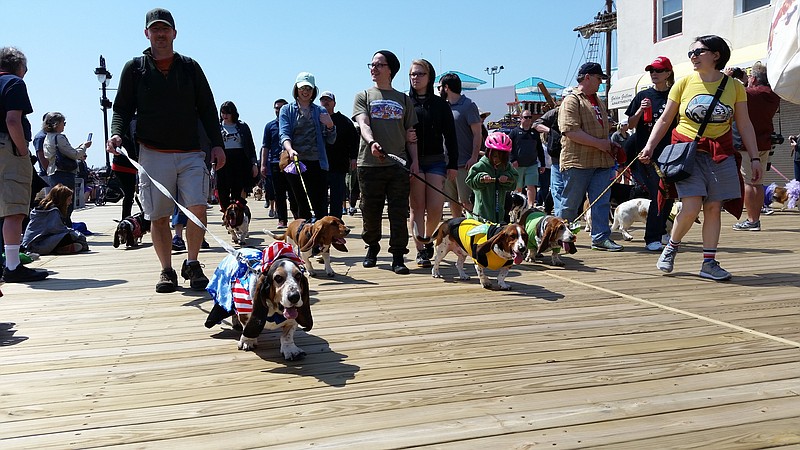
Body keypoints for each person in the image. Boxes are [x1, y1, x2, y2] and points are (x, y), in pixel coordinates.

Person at [106, 8, 226, 293]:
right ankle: (166, 270)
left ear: (174, 33)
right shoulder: (134, 68)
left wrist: (217, 144)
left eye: (165, 29)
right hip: (152, 153)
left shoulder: (190, 67)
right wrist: (116, 133)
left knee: (197, 208)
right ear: (147, 33)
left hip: (191, 152)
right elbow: (121, 107)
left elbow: (208, 107)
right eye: (155, 29)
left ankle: (193, 263)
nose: (160, 34)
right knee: (158, 215)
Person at [639, 35, 763, 281]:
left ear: (716, 55)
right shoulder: (683, 83)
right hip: (687, 151)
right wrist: (650, 146)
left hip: (720, 152)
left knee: (714, 207)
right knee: (691, 205)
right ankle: (672, 246)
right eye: (691, 53)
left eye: (698, 52)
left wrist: (756, 157)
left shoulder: (735, 87)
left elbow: (745, 123)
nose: (693, 57)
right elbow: (665, 119)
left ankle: (709, 262)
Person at [352, 50, 418, 274]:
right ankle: (372, 247)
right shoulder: (364, 95)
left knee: (399, 212)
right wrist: (372, 142)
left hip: (398, 165)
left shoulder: (404, 99)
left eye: (379, 64)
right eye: (371, 64)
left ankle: (398, 255)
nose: (373, 68)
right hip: (369, 164)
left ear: (391, 69)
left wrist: (414, 162)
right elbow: (363, 123)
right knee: (370, 210)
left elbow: (411, 134)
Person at [557, 62, 623, 252]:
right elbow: (570, 131)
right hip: (577, 161)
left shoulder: (598, 100)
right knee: (571, 203)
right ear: (587, 77)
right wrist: (601, 143)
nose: (600, 83)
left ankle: (601, 238)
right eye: (598, 78)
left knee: (601, 201)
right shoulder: (571, 100)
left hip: (602, 161)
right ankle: (559, 237)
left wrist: (609, 143)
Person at [1, 46, 48, 282]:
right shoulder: (14, 83)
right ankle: (12, 266)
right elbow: (12, 119)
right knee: (14, 209)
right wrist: (21, 150)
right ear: (19, 66)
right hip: (6, 149)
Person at [406, 59, 457, 268]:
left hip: (436, 160)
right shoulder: (405, 102)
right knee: (417, 206)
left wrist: (453, 163)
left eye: (419, 74)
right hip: (412, 161)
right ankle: (420, 250)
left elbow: (451, 136)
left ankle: (427, 238)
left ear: (430, 77)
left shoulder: (440, 105)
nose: (415, 78)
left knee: (435, 207)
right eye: (412, 74)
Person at [625, 56, 678, 251]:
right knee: (658, 194)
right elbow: (629, 124)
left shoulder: (675, 95)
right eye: (651, 71)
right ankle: (652, 237)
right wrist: (640, 110)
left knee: (670, 194)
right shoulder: (643, 95)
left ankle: (662, 230)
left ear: (668, 73)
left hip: (672, 153)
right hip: (647, 156)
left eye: (658, 70)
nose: (654, 74)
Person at [279, 72, 336, 220]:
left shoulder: (320, 111)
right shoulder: (287, 110)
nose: (305, 92)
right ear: (296, 89)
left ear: (314, 91)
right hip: (295, 163)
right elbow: (284, 134)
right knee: (301, 204)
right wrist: (290, 150)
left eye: (309, 89)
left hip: (317, 163)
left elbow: (331, 140)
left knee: (320, 205)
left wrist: (330, 125)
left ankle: (321, 238)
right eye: (302, 88)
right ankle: (304, 238)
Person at [732, 62, 781, 231]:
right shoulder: (773, 94)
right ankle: (756, 218)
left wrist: (732, 77)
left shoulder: (749, 94)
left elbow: (732, 92)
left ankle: (752, 220)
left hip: (746, 144)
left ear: (753, 78)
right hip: (764, 142)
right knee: (758, 182)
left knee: (748, 182)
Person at [439, 73, 482, 218]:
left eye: (440, 87)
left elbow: (477, 133)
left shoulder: (468, 105)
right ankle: (456, 232)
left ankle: (474, 233)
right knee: (452, 201)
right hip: (447, 164)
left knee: (467, 201)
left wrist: (474, 157)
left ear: (446, 87)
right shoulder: (443, 107)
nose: (439, 90)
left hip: (465, 164)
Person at [42, 112, 92, 225]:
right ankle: (66, 229)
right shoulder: (59, 137)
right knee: (66, 204)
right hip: (64, 173)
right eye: (63, 123)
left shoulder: (47, 137)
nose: (64, 125)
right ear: (56, 124)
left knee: (56, 203)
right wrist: (84, 147)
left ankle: (58, 227)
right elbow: (73, 154)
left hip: (53, 172)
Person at [319, 91, 359, 219]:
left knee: (337, 196)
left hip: (339, 164)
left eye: (328, 100)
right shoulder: (315, 118)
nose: (325, 102)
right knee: (321, 197)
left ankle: (336, 222)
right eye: (323, 100)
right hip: (319, 165)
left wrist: (354, 158)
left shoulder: (344, 121)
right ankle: (321, 222)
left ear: (334, 103)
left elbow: (354, 140)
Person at [465, 132, 518, 223]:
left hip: (500, 213)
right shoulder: (480, 166)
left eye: (501, 157)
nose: (497, 159)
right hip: (482, 214)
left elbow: (514, 180)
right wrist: (481, 178)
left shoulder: (506, 166)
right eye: (494, 156)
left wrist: (507, 178)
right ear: (488, 152)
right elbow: (470, 181)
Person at [22, 184, 89, 255]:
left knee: (74, 236)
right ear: (62, 199)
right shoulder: (52, 211)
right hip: (36, 245)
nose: (70, 202)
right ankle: (59, 248)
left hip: (36, 243)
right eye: (69, 199)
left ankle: (62, 248)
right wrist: (77, 234)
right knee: (70, 236)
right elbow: (57, 229)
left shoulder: (47, 209)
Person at [260, 98, 295, 228]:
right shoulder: (270, 126)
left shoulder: (293, 123)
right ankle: (282, 219)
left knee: (293, 192)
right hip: (275, 163)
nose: (279, 110)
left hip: (291, 162)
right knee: (279, 194)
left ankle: (297, 216)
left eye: (281, 108)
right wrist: (263, 164)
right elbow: (265, 146)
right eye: (276, 108)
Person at [217, 101, 257, 211]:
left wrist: (254, 164)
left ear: (233, 113)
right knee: (222, 190)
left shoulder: (242, 127)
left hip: (239, 160)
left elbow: (250, 146)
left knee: (237, 189)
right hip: (223, 160)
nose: (225, 115)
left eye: (228, 113)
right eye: (223, 113)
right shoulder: (217, 127)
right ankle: (226, 211)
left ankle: (236, 212)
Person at [508, 110, 545, 210]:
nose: (528, 119)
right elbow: (508, 147)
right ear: (521, 118)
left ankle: (530, 206)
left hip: (532, 164)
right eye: (525, 117)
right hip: (518, 165)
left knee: (531, 185)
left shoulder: (534, 133)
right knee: (518, 186)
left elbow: (540, 149)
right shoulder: (515, 132)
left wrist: (543, 163)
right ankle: (518, 205)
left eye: (530, 117)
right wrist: (512, 160)